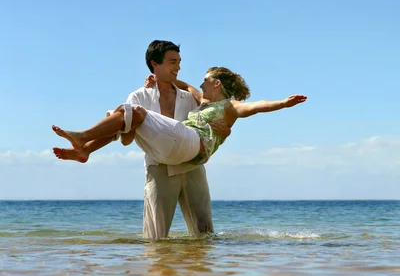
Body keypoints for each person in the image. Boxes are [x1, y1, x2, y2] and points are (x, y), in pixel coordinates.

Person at [53, 41, 230, 240]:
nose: (178, 67)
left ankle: (195, 270)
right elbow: (126, 140)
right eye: (172, 62)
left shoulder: (188, 98)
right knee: (155, 239)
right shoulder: (139, 96)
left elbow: (213, 124)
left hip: (192, 169)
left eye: (179, 62)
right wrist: (133, 126)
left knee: (205, 237)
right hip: (159, 168)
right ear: (155, 64)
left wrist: (225, 130)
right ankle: (84, 144)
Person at [52, 64, 307, 177]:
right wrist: (155, 80)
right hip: (185, 145)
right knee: (123, 118)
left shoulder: (229, 106)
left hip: (194, 145)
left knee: (134, 112)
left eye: (205, 80)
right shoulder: (201, 101)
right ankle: (84, 150)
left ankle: (83, 137)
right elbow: (181, 83)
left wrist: (283, 103)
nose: (200, 83)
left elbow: (256, 107)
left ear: (216, 83)